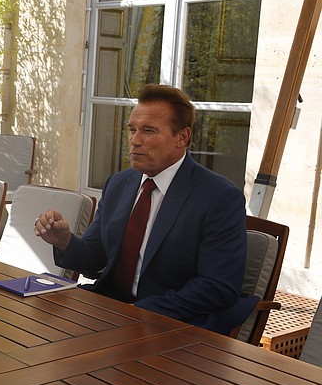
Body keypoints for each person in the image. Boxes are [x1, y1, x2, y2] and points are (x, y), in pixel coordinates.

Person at [34, 84, 256, 334]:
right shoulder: (118, 184)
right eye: (132, 130)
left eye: (148, 131)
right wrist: (65, 241)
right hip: (109, 313)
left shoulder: (219, 198)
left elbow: (217, 287)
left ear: (182, 137)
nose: (135, 140)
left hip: (172, 324)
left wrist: (136, 312)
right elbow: (95, 261)